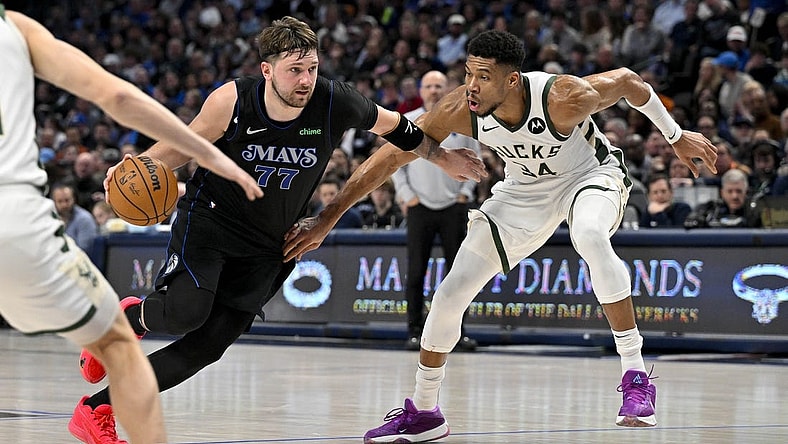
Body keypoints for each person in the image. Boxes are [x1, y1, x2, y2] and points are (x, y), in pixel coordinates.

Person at [283, 30, 717, 443]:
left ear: (512, 80)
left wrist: (675, 137)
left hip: (591, 176)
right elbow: (392, 155)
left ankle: (635, 375)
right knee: (450, 293)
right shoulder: (461, 107)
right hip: (523, 190)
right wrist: (329, 216)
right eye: (468, 73)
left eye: (483, 77)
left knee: (588, 234)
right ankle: (426, 410)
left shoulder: (563, 97)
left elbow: (627, 82)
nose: (471, 85)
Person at [76, 16, 484, 443]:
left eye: (311, 67)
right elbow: (181, 145)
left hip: (270, 241)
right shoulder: (232, 101)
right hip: (212, 220)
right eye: (294, 70)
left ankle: (97, 409)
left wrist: (441, 157)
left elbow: (398, 129)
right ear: (267, 70)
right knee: (186, 312)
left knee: (208, 346)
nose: (305, 79)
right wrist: (135, 169)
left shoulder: (334, 100)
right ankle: (120, 324)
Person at [0, 7, 263, 444]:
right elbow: (118, 98)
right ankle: (120, 348)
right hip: (17, 225)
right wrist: (212, 156)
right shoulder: (13, 26)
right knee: (121, 350)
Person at [393, 70, 481, 351]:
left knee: (459, 275)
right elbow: (393, 163)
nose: (433, 90)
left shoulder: (462, 120)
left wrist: (465, 194)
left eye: (439, 86)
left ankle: (457, 333)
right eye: (429, 85)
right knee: (416, 272)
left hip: (454, 208)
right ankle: (414, 332)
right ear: (420, 89)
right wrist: (407, 197)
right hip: (420, 207)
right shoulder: (408, 121)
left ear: (448, 89)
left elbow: (475, 159)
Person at [684, 168, 762, 228]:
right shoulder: (710, 210)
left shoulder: (756, 213)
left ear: (746, 192)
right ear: (722, 193)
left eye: (739, 191)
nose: (734, 196)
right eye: (730, 191)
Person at [50, 182, 99, 253]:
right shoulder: (48, 219)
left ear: (74, 199)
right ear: (53, 202)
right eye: (60, 201)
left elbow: (84, 251)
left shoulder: (84, 219)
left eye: (67, 200)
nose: (64, 205)